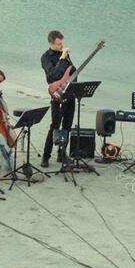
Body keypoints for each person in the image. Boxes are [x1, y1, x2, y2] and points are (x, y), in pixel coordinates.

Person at [40, 30, 76, 168]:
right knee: (55, 126)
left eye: (62, 43)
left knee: (67, 126)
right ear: (51, 43)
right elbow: (52, 76)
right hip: (57, 95)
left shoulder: (66, 56)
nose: (61, 46)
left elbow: (71, 72)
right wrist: (62, 58)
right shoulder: (46, 58)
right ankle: (46, 156)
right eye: (58, 44)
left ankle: (62, 154)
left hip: (69, 94)